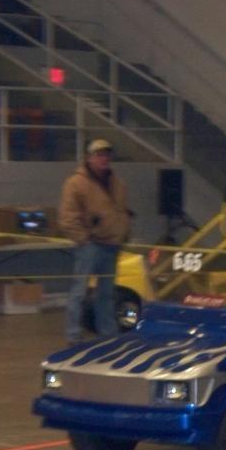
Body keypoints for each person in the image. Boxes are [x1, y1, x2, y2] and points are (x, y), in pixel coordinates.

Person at [58, 138, 132, 344]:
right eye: (99, 155)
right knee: (79, 292)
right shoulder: (75, 183)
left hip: (112, 245)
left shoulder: (118, 183)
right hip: (90, 246)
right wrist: (83, 240)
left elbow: (122, 211)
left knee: (107, 293)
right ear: (89, 158)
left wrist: (123, 234)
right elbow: (67, 217)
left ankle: (107, 333)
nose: (104, 159)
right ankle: (73, 334)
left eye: (107, 155)